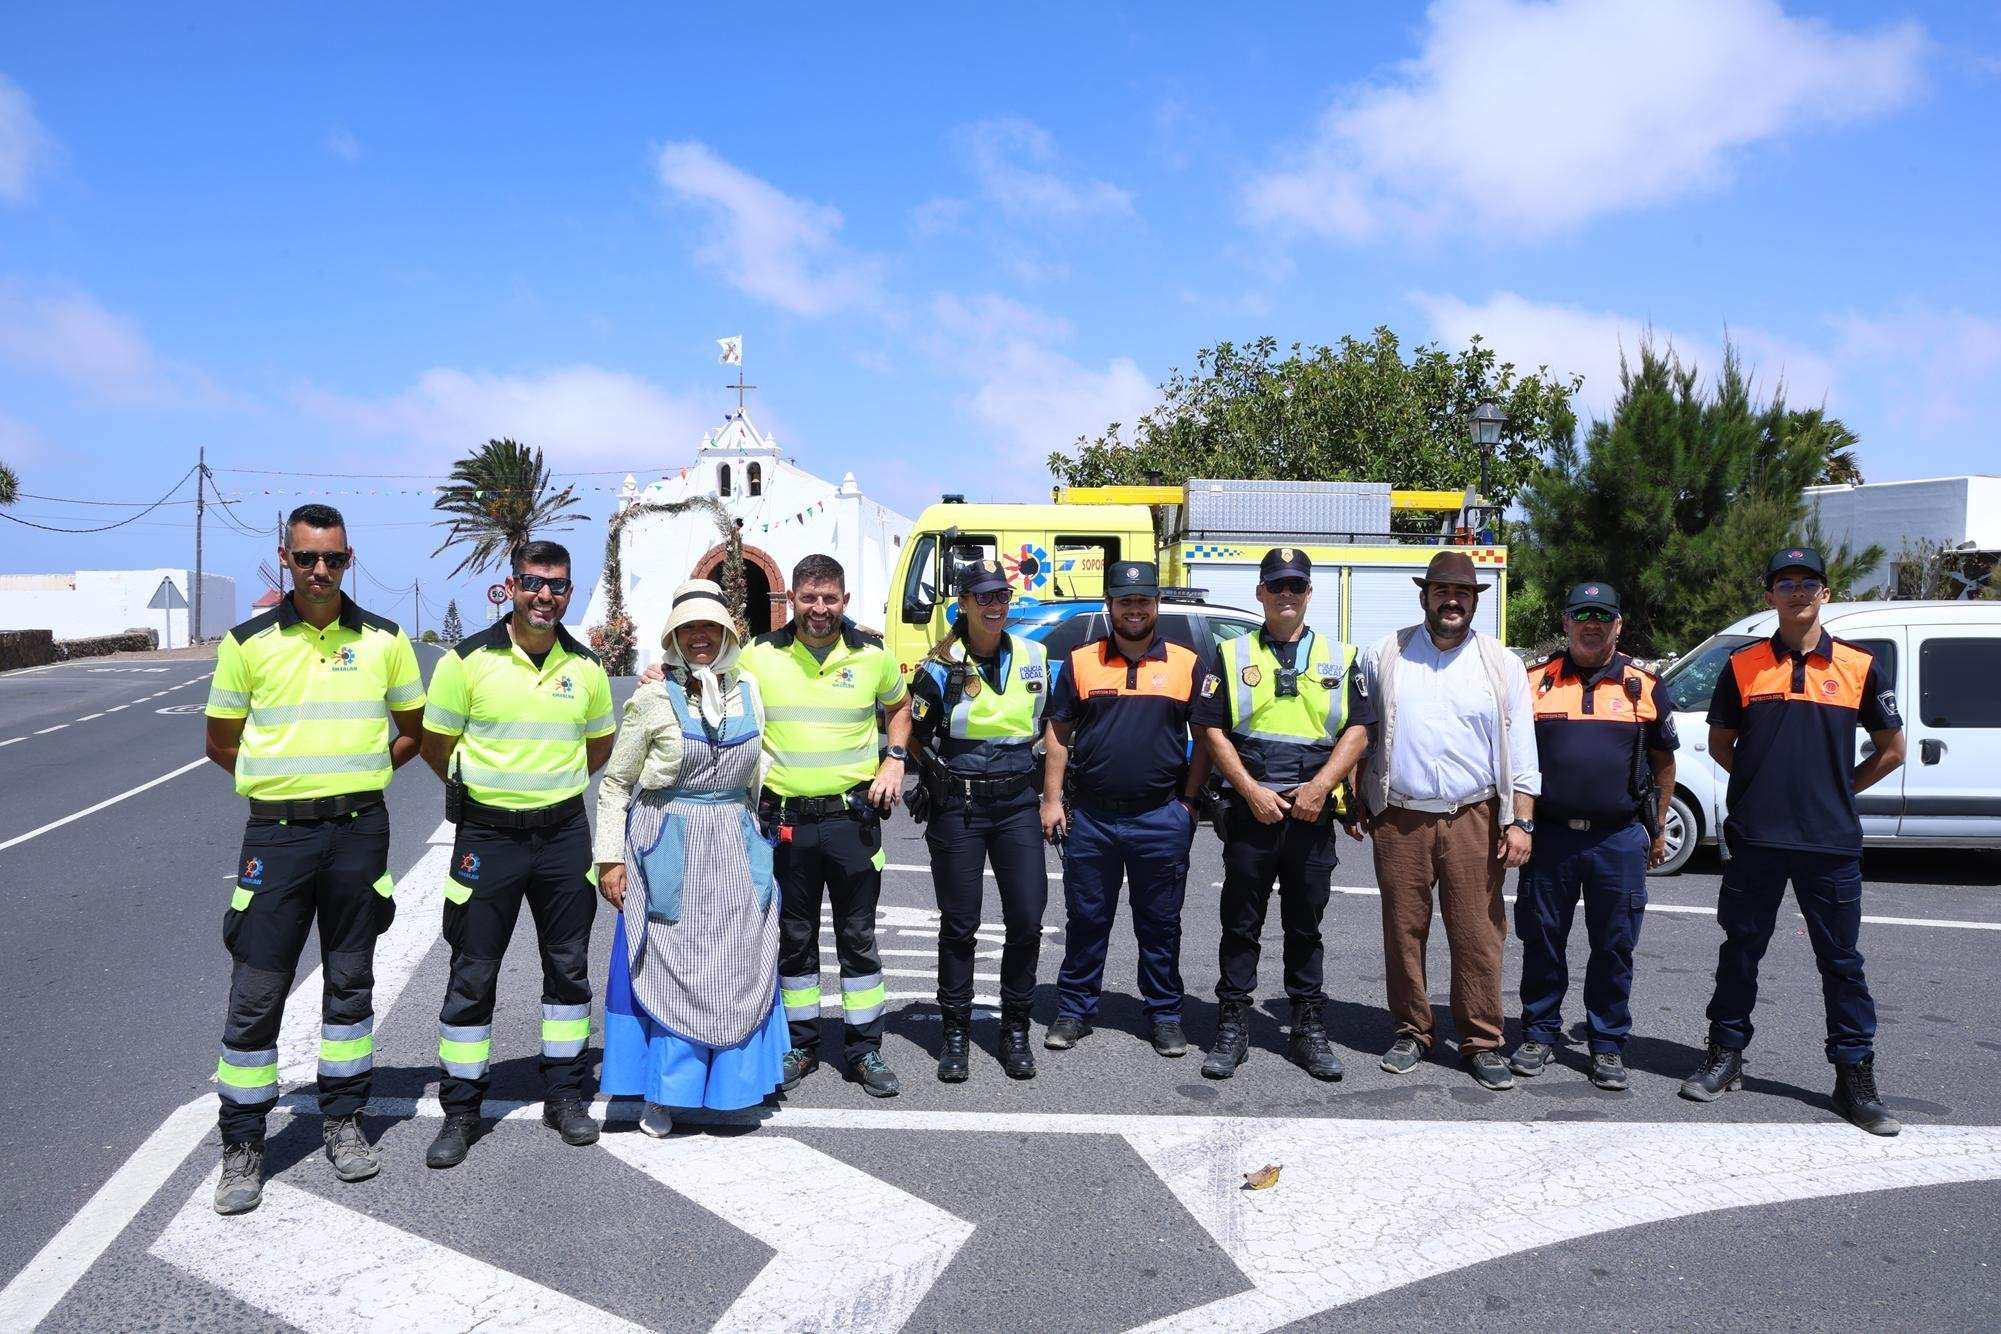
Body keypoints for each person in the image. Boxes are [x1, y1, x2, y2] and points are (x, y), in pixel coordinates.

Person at [201, 503, 425, 1215]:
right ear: (284, 560)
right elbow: (220, 742)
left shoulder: (387, 641)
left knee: (351, 983)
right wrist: (284, 787)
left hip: (359, 833)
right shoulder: (247, 642)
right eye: (306, 559)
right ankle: (242, 1142)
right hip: (277, 839)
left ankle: (343, 1121)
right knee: (257, 990)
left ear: (348, 558)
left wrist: (358, 778)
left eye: (332, 559)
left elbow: (413, 732)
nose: (320, 571)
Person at [1681, 547, 1907, 1134]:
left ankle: (1854, 1077)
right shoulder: (1743, 665)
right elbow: (1722, 743)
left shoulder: (1859, 666)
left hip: (1830, 842)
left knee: (1842, 964)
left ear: (1825, 594)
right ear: (1770, 596)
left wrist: (1837, 789)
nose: (1798, 591)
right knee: (1740, 952)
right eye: (1786, 582)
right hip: (1757, 837)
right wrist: (1761, 787)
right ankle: (1725, 1055)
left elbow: (1892, 751)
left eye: (1810, 583)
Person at [418, 541, 616, 1168]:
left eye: (558, 586)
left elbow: (599, 747)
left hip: (562, 837)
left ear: (569, 591)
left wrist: (548, 791)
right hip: (488, 838)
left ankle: (563, 1092)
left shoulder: (585, 668)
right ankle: (462, 1107)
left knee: (568, 968)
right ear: (512, 585)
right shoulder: (467, 660)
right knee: (473, 971)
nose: (546, 596)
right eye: (535, 583)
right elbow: (434, 743)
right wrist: (488, 794)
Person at [595, 579, 789, 1136]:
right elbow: (615, 784)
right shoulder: (651, 699)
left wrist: (758, 838)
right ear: (674, 638)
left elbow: (757, 773)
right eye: (689, 629)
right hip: (670, 840)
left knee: (738, 958)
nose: (700, 637)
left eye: (710, 627)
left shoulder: (749, 689)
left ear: (728, 633)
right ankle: (662, 1092)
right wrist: (611, 859)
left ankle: (736, 1086)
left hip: (733, 840)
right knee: (667, 960)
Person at [1359, 550, 1539, 1091]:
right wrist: (1357, 799)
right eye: (1442, 591)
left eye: (1462, 593)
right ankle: (1412, 1030)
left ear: (1475, 601)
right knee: (1403, 931)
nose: (1452, 601)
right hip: (1401, 817)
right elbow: (1362, 732)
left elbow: (1522, 747)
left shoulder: (1500, 662)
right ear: (1425, 597)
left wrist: (1521, 821)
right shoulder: (1385, 654)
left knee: (1478, 933)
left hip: (1475, 816)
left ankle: (1482, 1040)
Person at [1190, 547, 1372, 1082]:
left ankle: (1307, 1029)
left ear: (1309, 593)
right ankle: (1232, 1025)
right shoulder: (1229, 653)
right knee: (1241, 922)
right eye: (1276, 586)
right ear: (1260, 593)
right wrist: (1247, 789)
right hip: (1253, 809)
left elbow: (1359, 729)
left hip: (1312, 811)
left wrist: (1321, 787)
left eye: (1296, 585)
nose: (1285, 594)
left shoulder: (1340, 655)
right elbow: (1210, 727)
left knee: (1305, 924)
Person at [741, 554, 912, 1098]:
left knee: (858, 937)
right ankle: (802, 1044)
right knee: (794, 938)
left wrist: (896, 758)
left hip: (851, 819)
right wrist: (660, 668)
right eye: (809, 598)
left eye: (830, 598)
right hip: (785, 821)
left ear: (845, 600)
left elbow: (901, 706)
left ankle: (865, 1049)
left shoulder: (872, 656)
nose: (820, 609)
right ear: (790, 599)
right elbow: (709, 682)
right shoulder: (757, 656)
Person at [1508, 582, 1677, 1092]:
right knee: (1541, 941)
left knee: (1614, 946)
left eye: (1603, 614)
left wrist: (1655, 829)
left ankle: (1606, 1044)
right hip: (1551, 838)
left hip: (1618, 838)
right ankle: (1538, 1034)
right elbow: (1516, 760)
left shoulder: (1643, 686)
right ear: (1565, 621)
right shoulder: (1533, 682)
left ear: (1618, 624)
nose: (1592, 622)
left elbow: (1664, 763)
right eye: (1582, 612)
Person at [1041, 561, 1210, 1058]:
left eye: (1143, 600)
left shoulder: (1186, 661)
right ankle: (1074, 1010)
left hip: (1160, 816)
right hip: (1091, 817)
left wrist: (1190, 802)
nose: (1134, 609)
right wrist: (1052, 799)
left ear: (1155, 604)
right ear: (1109, 605)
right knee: (1087, 919)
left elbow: (1204, 738)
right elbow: (1058, 733)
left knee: (1160, 923)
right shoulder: (1080, 661)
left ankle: (1164, 1014)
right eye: (1124, 600)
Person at [908, 559, 1048, 1082]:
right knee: (961, 925)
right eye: (983, 597)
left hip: (1016, 806)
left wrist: (1052, 796)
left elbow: (1051, 728)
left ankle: (1014, 1029)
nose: (995, 606)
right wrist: (933, 772)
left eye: (1001, 597)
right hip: (959, 808)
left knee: (1027, 920)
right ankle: (956, 1033)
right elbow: (912, 732)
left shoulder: (1035, 656)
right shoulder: (939, 668)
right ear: (962, 604)